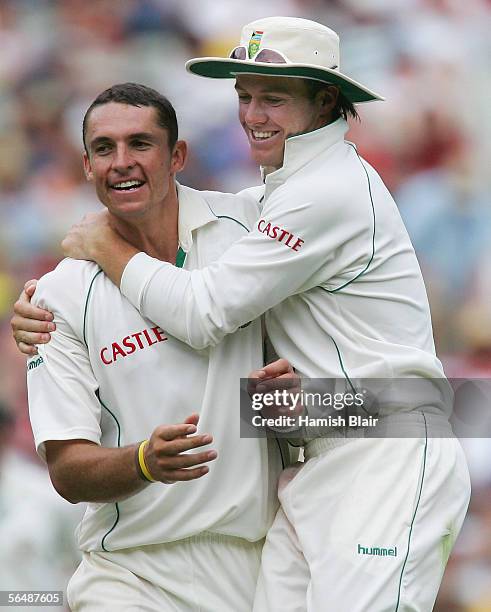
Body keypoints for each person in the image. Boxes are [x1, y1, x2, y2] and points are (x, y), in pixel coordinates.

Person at [13, 17, 470, 611]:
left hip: (385, 445)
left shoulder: (316, 194)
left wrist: (107, 245)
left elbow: (204, 313)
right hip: (312, 462)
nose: (254, 114)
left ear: (326, 98)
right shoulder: (270, 201)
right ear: (85, 164)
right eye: (245, 96)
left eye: (274, 97)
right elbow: (77, 464)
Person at [14, 82, 296, 612]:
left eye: (140, 144)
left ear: (177, 156)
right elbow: (68, 471)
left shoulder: (252, 232)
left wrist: (295, 405)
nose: (122, 162)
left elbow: (345, 402)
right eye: (104, 149)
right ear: (86, 166)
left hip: (262, 568)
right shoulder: (59, 295)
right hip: (131, 575)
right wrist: (144, 461)